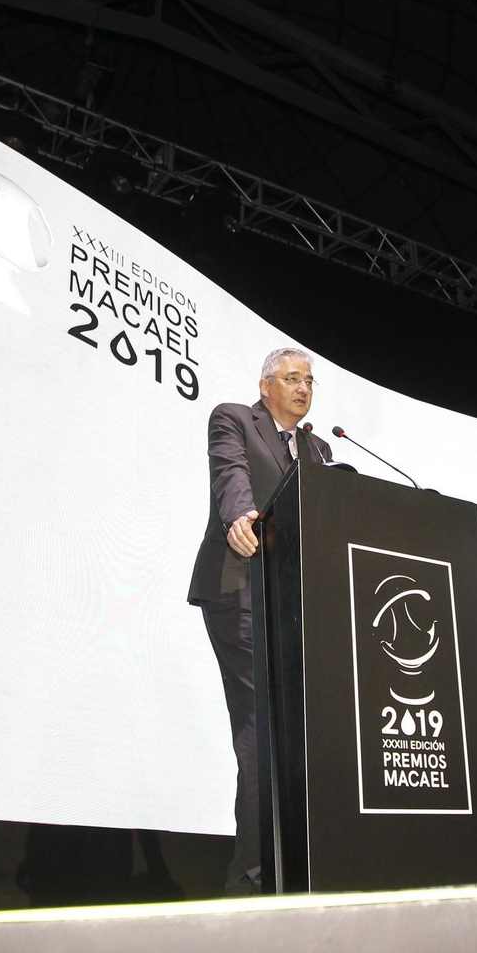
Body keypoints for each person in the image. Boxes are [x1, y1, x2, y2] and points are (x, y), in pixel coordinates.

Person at [187, 348, 330, 895]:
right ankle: (253, 879)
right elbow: (231, 476)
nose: (303, 388)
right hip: (239, 589)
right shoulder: (233, 418)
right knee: (260, 729)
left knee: (297, 737)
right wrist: (242, 518)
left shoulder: (317, 448)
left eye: (309, 380)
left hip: (296, 604)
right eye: (292, 378)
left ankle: (292, 869)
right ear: (266, 384)